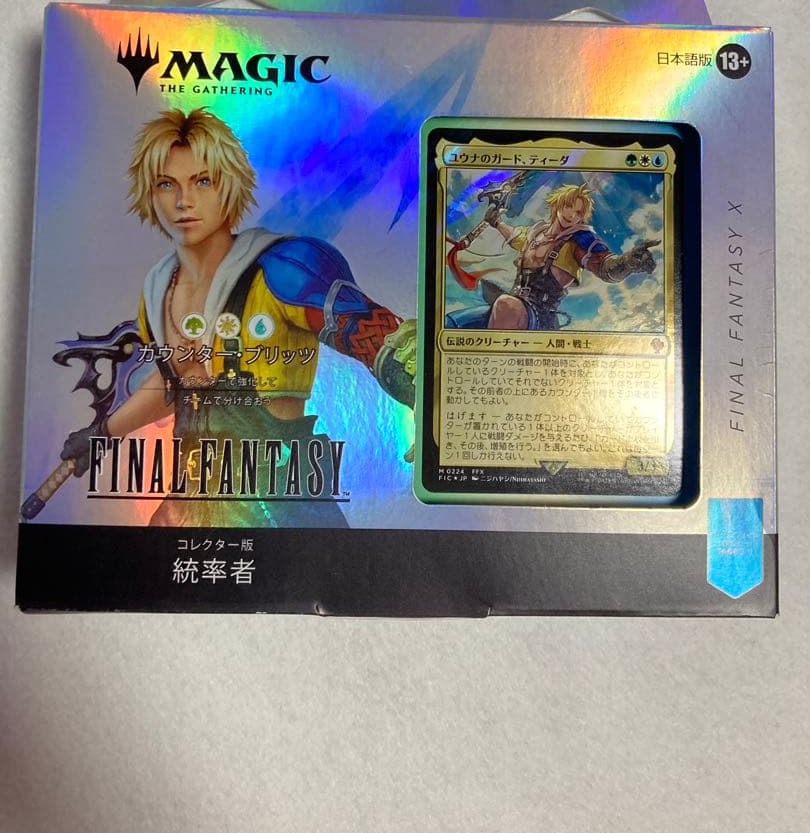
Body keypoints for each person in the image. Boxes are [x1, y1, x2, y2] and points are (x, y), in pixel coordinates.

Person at [60, 108, 415, 526]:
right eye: (166, 184)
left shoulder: (285, 268)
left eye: (202, 181)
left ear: (229, 186)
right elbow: (175, 381)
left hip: (279, 498)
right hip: (191, 498)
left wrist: (422, 390)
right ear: (149, 194)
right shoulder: (158, 289)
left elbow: (378, 337)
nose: (183, 201)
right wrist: (102, 433)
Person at [447, 183, 659, 330]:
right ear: (557, 204)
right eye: (568, 206)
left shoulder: (579, 240)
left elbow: (604, 266)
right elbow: (514, 236)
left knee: (505, 305)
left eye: (578, 213)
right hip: (514, 306)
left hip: (540, 316)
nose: (571, 215)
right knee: (454, 322)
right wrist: (496, 222)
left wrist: (627, 263)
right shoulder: (535, 234)